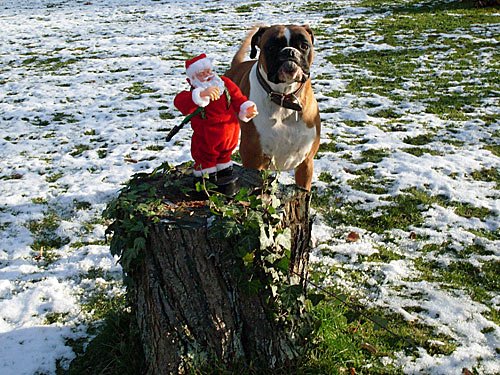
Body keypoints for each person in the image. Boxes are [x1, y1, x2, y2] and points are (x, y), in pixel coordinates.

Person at [174, 53, 258, 194]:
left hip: (230, 133)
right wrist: (201, 95)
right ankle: (206, 182)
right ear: (193, 79)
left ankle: (225, 172)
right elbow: (180, 102)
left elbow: (238, 98)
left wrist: (246, 108)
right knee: (206, 157)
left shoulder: (224, 83)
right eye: (202, 74)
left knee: (225, 156)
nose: (208, 75)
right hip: (207, 137)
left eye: (209, 71)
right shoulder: (195, 92)